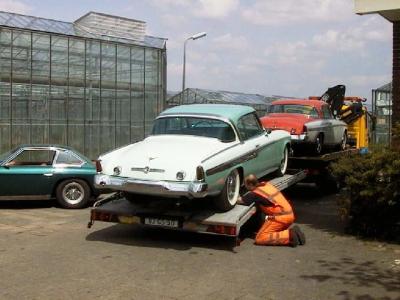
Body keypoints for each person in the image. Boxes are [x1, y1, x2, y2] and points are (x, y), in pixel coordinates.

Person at [237, 174, 305, 247]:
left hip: (280, 218)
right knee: (271, 233)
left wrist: (235, 194)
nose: (245, 187)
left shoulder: (255, 194)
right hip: (289, 215)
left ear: (250, 184)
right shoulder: (266, 185)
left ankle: (290, 236)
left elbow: (240, 200)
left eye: (245, 185)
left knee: (260, 238)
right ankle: (293, 233)